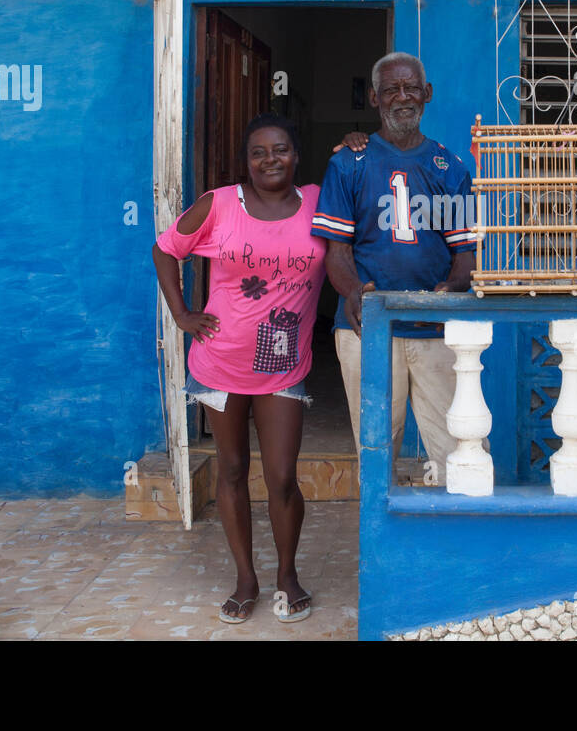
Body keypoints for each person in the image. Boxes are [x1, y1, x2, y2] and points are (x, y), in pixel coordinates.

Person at [152, 114, 325, 624]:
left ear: (296, 154)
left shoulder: (319, 199)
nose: (270, 159)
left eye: (280, 149)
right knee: (230, 470)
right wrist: (182, 314)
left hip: (283, 366)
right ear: (246, 161)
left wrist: (353, 143)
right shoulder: (220, 203)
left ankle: (287, 575)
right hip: (218, 363)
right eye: (258, 152)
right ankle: (245, 578)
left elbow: (357, 182)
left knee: (282, 476)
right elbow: (165, 249)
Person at [312, 52, 476, 482]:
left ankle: (447, 547)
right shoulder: (348, 163)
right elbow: (337, 250)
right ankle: (382, 548)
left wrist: (453, 287)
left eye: (410, 88)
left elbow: (463, 254)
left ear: (427, 94)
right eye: (390, 89)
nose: (402, 97)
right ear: (373, 98)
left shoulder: (449, 166)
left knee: (457, 448)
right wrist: (351, 290)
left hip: (433, 328)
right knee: (375, 449)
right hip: (368, 329)